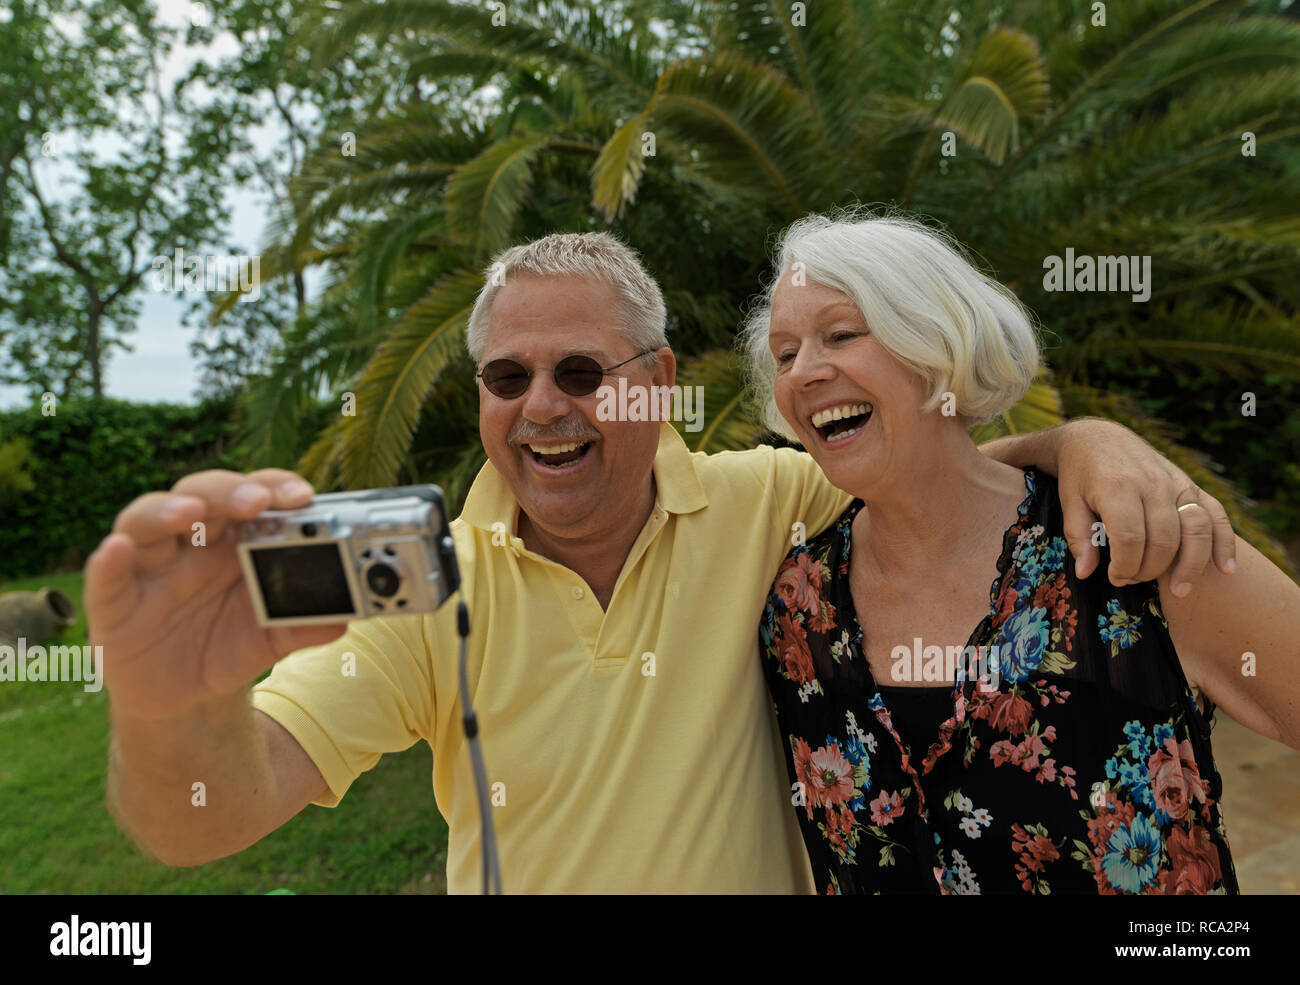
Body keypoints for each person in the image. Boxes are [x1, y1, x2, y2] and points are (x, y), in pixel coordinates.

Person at [88, 232, 1238, 894]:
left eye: (582, 372)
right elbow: (203, 821)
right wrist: (164, 708)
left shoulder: (771, 502)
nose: (542, 407)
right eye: (506, 379)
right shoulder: (427, 587)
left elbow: (935, 463)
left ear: (656, 375)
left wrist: (1086, 442)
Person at [745, 211, 1300, 895]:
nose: (802, 371)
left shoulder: (1128, 548)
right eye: (784, 353)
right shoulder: (794, 609)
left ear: (937, 344)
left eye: (840, 334)